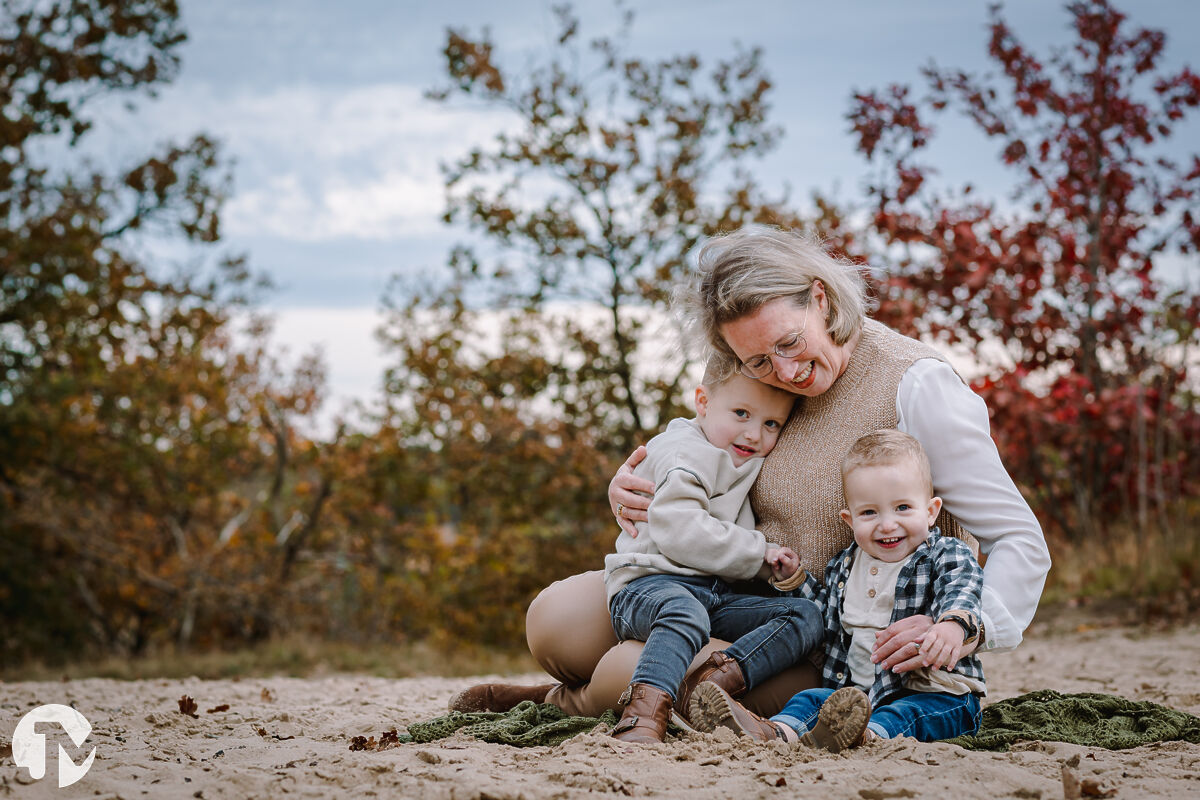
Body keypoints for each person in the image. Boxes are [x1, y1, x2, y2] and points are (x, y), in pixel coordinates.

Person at [449, 225, 1051, 719]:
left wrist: (962, 626)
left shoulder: (916, 384)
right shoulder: (747, 359)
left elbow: (1019, 541)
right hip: (721, 586)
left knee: (624, 669)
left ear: (820, 297)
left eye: (790, 344)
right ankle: (585, 694)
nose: (783, 372)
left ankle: (563, 704)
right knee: (553, 621)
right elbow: (699, 449)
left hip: (824, 635)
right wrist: (633, 485)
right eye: (758, 360)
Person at [688, 429, 985, 749]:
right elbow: (825, 615)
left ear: (930, 511)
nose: (887, 524)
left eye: (902, 508)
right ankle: (774, 732)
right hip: (858, 694)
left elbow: (963, 588)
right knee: (811, 699)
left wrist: (953, 625)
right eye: (869, 512)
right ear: (849, 519)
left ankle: (865, 735)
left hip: (939, 695)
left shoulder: (944, 554)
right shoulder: (844, 566)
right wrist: (795, 580)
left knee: (905, 712)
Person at [604, 368, 824, 742]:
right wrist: (759, 552)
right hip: (649, 586)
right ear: (703, 403)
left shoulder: (741, 455)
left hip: (714, 593)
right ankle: (641, 718)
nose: (754, 433)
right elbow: (681, 532)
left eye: (772, 423)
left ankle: (707, 685)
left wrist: (773, 568)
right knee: (683, 612)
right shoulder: (684, 452)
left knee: (804, 615)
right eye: (741, 414)